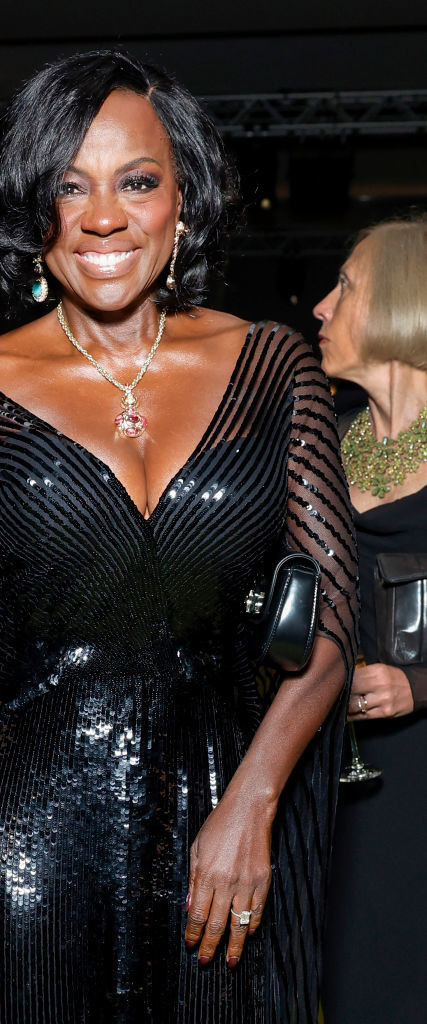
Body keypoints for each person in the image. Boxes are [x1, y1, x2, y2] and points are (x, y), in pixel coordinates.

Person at [0, 51, 358, 1024]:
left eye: (135, 180)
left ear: (179, 196)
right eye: (68, 186)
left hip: (221, 822)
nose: (103, 216)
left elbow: (327, 608)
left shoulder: (272, 366)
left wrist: (253, 798)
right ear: (32, 211)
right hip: (22, 833)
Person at [314, 217, 427, 1024]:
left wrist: (421, 683)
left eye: (344, 285)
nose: (320, 307)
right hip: (340, 782)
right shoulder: (324, 443)